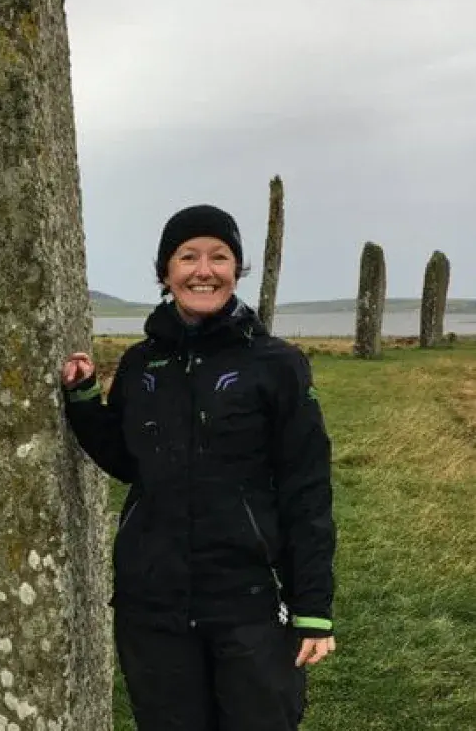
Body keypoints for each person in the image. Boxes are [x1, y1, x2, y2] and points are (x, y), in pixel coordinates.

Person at [61, 204, 336, 731]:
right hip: (153, 602)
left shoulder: (277, 365)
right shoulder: (144, 364)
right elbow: (128, 461)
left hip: (248, 600)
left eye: (219, 256)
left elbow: (307, 487)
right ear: (166, 272)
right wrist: (83, 401)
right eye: (187, 256)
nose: (203, 270)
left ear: (237, 270)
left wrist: (313, 606)